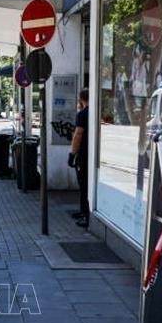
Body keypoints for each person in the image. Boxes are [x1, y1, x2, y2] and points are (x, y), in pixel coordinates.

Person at [69, 89, 89, 228]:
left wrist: (72, 154)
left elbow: (78, 135)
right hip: (91, 154)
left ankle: (86, 215)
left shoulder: (82, 114)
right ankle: (83, 212)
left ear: (81, 99)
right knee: (85, 185)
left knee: (83, 185)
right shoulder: (93, 112)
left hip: (83, 155)